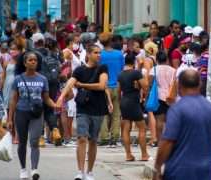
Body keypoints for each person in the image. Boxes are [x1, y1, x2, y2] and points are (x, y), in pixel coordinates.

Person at [153, 69, 211, 180]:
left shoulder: (177, 110)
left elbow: (168, 142)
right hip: (205, 172)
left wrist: (157, 167)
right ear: (200, 84)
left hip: (179, 171)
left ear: (179, 86)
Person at [57, 44, 111, 180]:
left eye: (100, 53)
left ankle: (90, 171)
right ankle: (80, 171)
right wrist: (61, 97)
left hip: (98, 108)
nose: (98, 55)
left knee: (93, 140)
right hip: (83, 108)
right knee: (81, 138)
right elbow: (70, 83)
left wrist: (82, 85)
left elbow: (102, 86)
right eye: (95, 52)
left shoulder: (102, 68)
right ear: (88, 54)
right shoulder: (80, 70)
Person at [7, 51, 57, 180]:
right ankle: (23, 169)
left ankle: (34, 169)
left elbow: (46, 98)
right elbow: (13, 99)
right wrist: (9, 118)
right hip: (21, 113)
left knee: (34, 141)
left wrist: (55, 105)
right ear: (24, 63)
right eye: (30, 60)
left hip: (37, 114)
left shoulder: (42, 79)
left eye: (35, 60)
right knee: (22, 142)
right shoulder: (18, 79)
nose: (33, 62)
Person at [118, 52, 150, 161]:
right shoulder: (136, 73)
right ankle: (144, 154)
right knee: (142, 128)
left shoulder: (120, 74)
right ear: (134, 62)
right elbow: (145, 86)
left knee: (126, 129)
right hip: (133, 102)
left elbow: (119, 91)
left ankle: (128, 155)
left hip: (124, 101)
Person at [98, 32, 124, 147]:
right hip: (117, 85)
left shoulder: (100, 55)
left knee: (103, 112)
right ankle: (114, 137)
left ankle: (103, 137)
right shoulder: (119, 54)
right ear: (111, 41)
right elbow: (122, 69)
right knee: (116, 113)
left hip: (103, 85)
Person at [149, 51, 176, 142]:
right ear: (167, 59)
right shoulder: (173, 70)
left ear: (157, 60)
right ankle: (170, 140)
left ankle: (160, 140)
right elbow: (175, 84)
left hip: (158, 96)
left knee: (159, 120)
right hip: (171, 97)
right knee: (170, 121)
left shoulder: (154, 69)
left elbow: (150, 83)